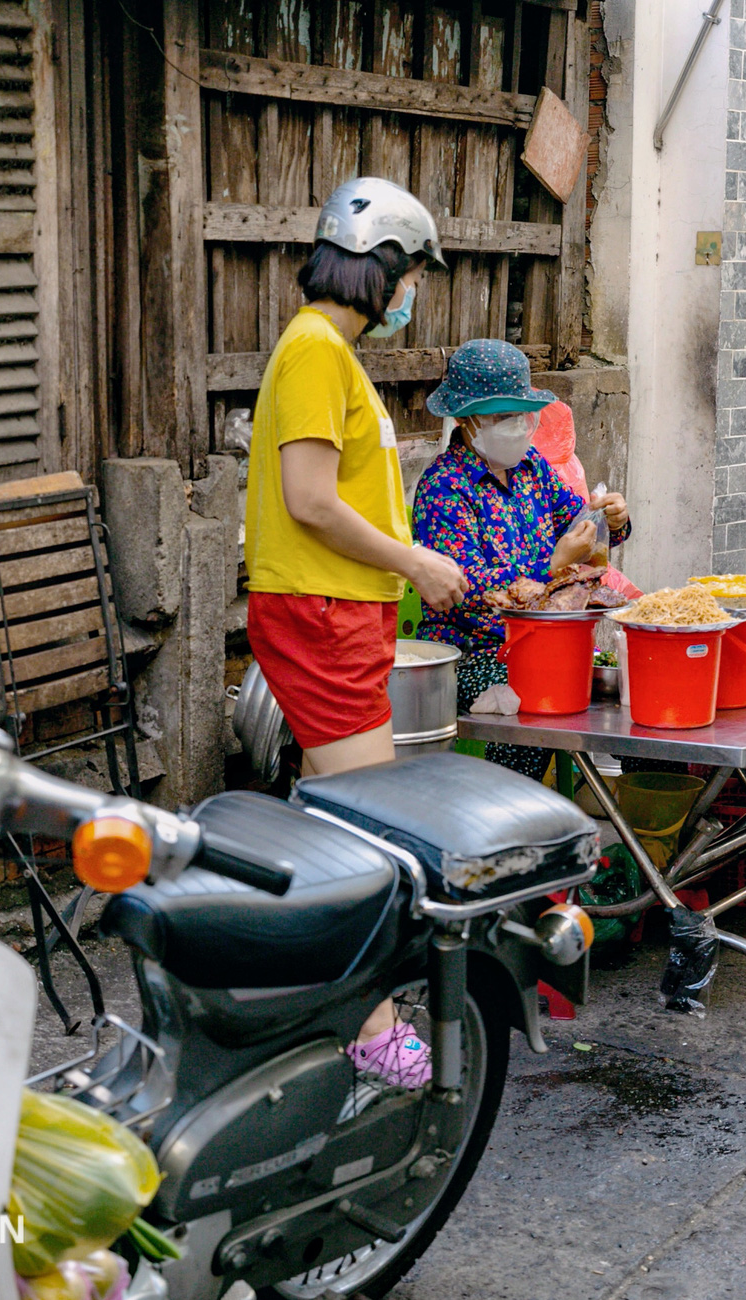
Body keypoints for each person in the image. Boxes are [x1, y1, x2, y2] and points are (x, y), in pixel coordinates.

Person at [243, 177, 464, 1087]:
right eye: (412, 275)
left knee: (333, 819)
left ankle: (304, 984)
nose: (412, 293)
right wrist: (415, 562)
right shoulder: (313, 351)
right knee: (372, 832)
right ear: (381, 268)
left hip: (340, 613)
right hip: (322, 613)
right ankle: (369, 1029)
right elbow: (309, 501)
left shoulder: (330, 352)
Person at [411, 339, 629, 778]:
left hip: (550, 645)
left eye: (520, 416)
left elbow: (580, 522)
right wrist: (551, 566)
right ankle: (508, 806)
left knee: (628, 695)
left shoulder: (533, 466)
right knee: (531, 706)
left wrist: (612, 519)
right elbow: (464, 589)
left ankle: (637, 812)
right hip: (474, 653)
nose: (514, 428)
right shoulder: (444, 486)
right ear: (465, 419)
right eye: (500, 417)